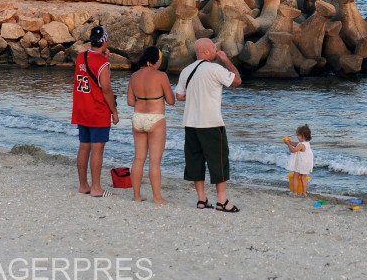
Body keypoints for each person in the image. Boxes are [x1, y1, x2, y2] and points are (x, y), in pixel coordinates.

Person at [175, 38, 242, 212]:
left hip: (191, 123)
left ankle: (202, 199)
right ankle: (222, 201)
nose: (216, 50)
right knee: (219, 161)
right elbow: (237, 81)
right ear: (206, 52)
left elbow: (180, 96)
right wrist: (226, 60)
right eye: (213, 48)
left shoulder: (186, 71)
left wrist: (197, 96)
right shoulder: (215, 68)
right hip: (211, 123)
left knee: (196, 160)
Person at [72, 25, 119, 197]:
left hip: (81, 107)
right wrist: (114, 111)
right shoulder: (102, 63)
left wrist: (105, 59)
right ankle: (96, 188)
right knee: (97, 149)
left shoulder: (80, 57)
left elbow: (92, 76)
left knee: (84, 147)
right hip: (97, 109)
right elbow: (106, 88)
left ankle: (84, 185)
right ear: (105, 41)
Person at [126, 46, 175, 203]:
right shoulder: (161, 76)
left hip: (138, 117)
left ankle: (136, 196)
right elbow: (171, 101)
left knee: (138, 159)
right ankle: (157, 197)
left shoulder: (134, 76)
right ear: (157, 60)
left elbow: (130, 102)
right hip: (155, 119)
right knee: (154, 161)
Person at [283, 125, 313, 197]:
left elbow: (293, 150)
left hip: (301, 163)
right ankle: (304, 193)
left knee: (295, 176)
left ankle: (295, 192)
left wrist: (288, 145)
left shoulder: (302, 145)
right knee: (303, 178)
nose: (297, 137)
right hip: (306, 163)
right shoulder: (306, 143)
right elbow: (296, 144)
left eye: (298, 135)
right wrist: (289, 142)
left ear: (303, 135)